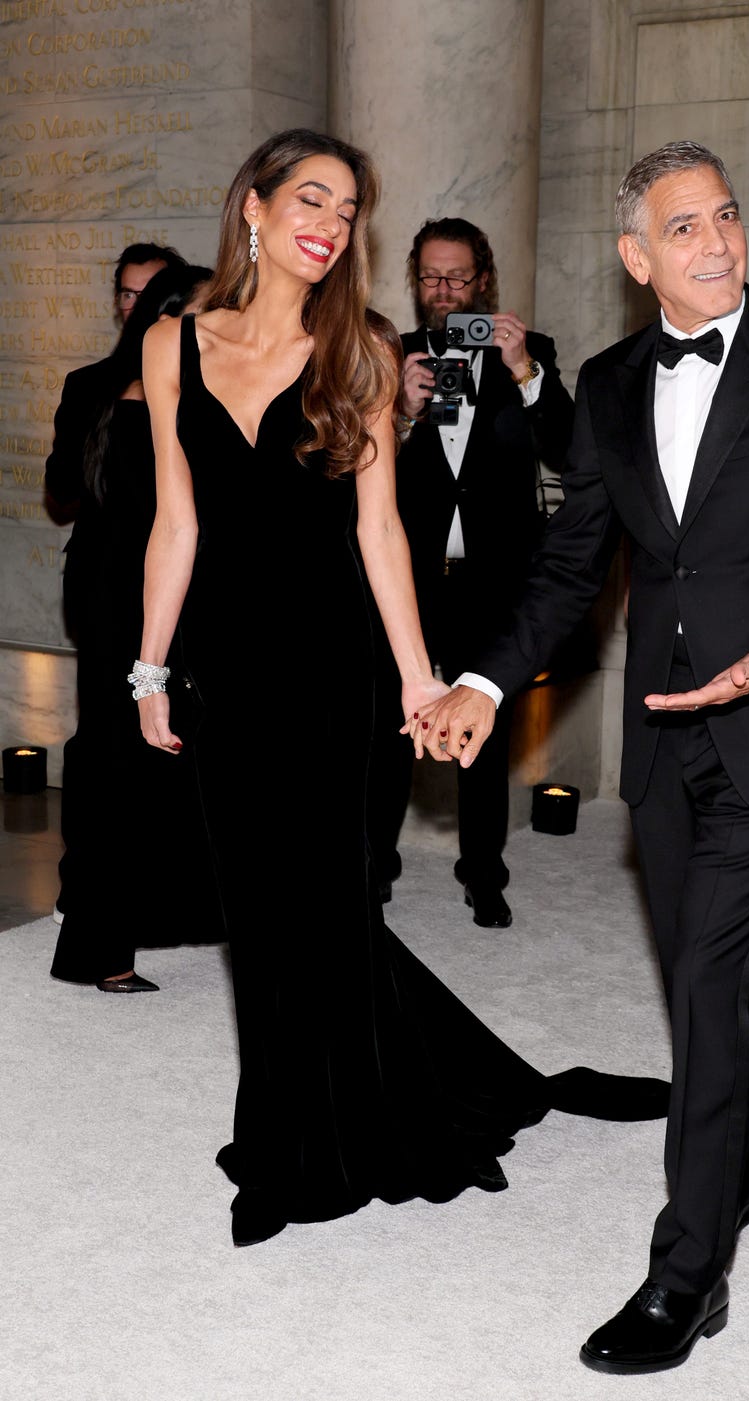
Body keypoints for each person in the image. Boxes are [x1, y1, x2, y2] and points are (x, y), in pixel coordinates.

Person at [416, 142, 749, 1372]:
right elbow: (573, 563)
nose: (716, 242)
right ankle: (748, 1158)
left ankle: (686, 1273)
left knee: (702, 986)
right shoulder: (610, 379)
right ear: (638, 258)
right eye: (682, 227)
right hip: (660, 743)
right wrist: (481, 678)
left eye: (726, 216)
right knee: (712, 985)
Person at [133, 129, 667, 1248]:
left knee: (323, 908)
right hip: (222, 672)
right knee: (257, 916)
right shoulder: (172, 344)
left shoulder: (362, 351)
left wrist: (423, 678)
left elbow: (379, 532)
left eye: (347, 209)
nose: (329, 223)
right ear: (255, 206)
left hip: (333, 670)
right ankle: (286, 1120)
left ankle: (305, 1150)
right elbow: (173, 523)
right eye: (311, 198)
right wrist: (148, 669)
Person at [367, 218, 574, 928]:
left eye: (457, 276)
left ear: (483, 278)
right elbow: (355, 478)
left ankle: (484, 873)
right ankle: (374, 870)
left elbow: (573, 450)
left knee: (485, 730)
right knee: (393, 727)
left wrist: (524, 372)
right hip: (413, 578)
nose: (444, 290)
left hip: (496, 576)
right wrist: (397, 413)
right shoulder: (393, 354)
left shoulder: (531, 351)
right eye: (431, 276)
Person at [49, 264, 217, 992]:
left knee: (138, 758)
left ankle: (132, 928)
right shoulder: (182, 395)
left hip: (124, 587)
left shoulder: (99, 384)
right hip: (141, 592)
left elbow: (67, 489)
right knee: (128, 761)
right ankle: (104, 943)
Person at [46, 244, 187, 529]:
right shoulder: (86, 384)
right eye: (128, 295)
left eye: (149, 295)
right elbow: (62, 488)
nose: (136, 307)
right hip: (102, 560)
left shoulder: (201, 380)